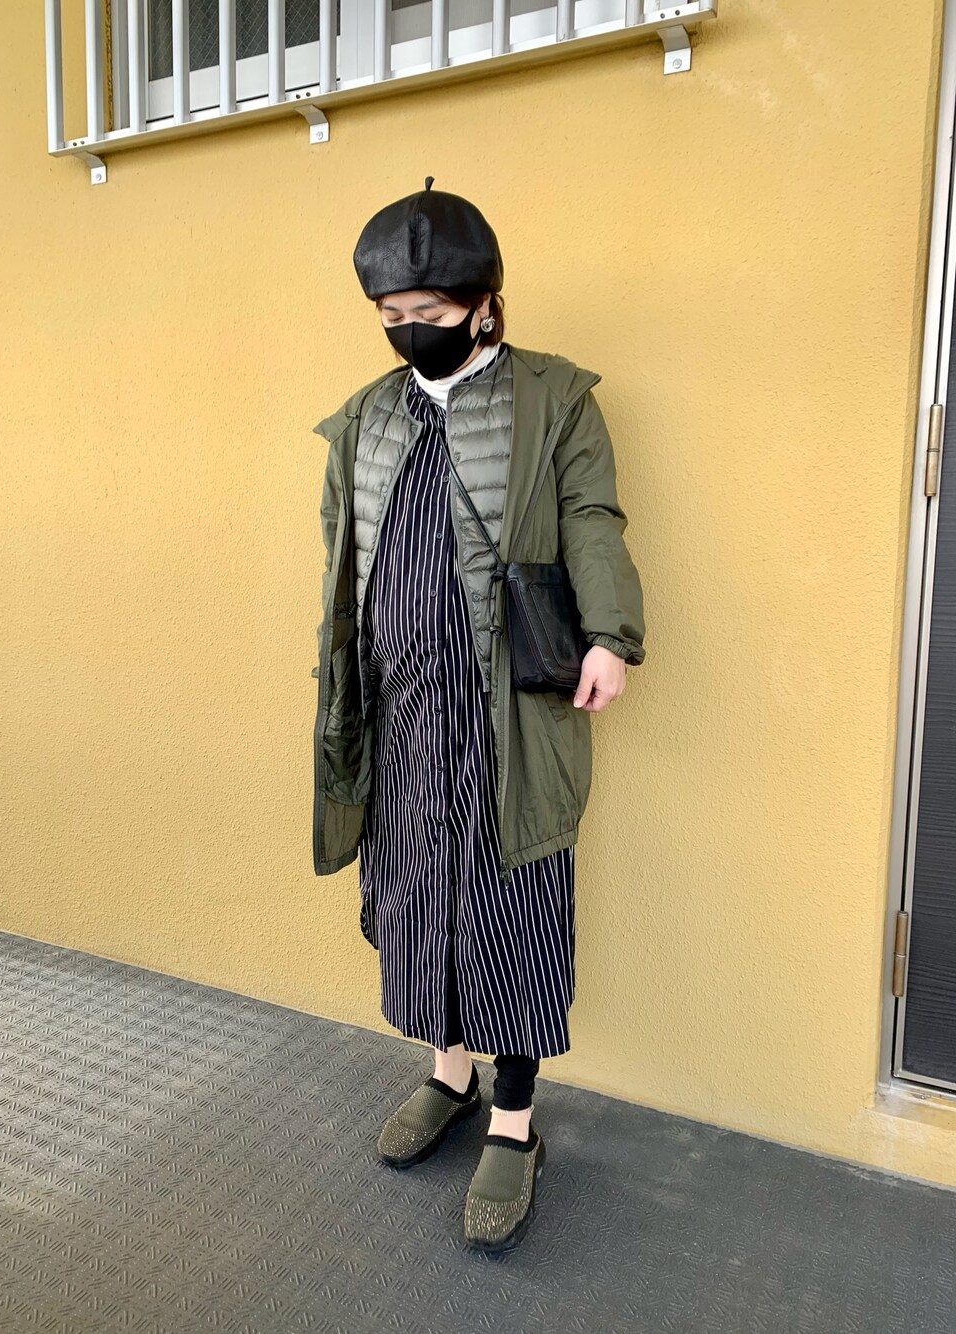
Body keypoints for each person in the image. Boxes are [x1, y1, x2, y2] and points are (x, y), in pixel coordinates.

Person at [311, 178, 646, 1252]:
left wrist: (611, 635)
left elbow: (591, 514)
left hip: (511, 710)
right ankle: (447, 1073)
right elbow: (344, 560)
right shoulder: (367, 417)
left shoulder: (555, 398)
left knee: (510, 898)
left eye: (432, 310)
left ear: (485, 302)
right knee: (418, 887)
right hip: (404, 708)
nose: (411, 328)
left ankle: (513, 1116)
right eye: (392, 313)